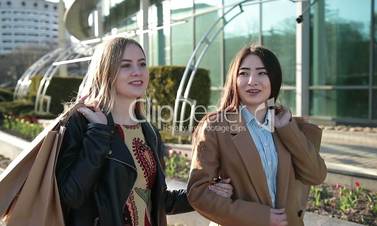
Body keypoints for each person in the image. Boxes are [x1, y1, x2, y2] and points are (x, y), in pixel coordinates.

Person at [55, 37, 232, 226]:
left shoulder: (149, 131)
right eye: (125, 65)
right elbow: (70, 196)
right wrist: (98, 133)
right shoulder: (81, 122)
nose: (137, 72)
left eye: (142, 64)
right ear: (106, 71)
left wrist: (206, 192)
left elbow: (158, 199)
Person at [187, 45, 327, 226]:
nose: (252, 81)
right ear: (234, 80)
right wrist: (260, 217)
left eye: (262, 73)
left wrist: (288, 130)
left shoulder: (286, 125)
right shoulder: (215, 126)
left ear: (273, 79)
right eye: (244, 73)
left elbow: (316, 176)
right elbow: (198, 193)